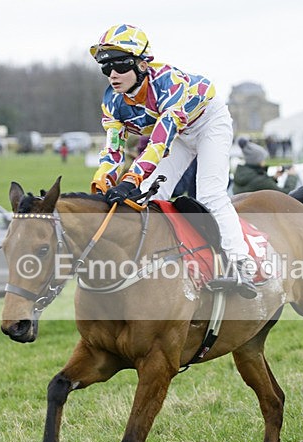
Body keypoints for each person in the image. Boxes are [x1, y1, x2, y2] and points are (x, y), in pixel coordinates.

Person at [89, 24, 256, 298]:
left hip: (208, 122)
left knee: (210, 193)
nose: (112, 75)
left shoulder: (168, 82)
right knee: (144, 197)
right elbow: (113, 151)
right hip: (178, 132)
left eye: (119, 66)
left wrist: (131, 177)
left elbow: (159, 141)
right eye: (105, 68)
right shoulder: (112, 101)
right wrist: (102, 181)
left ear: (143, 64)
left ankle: (241, 264)